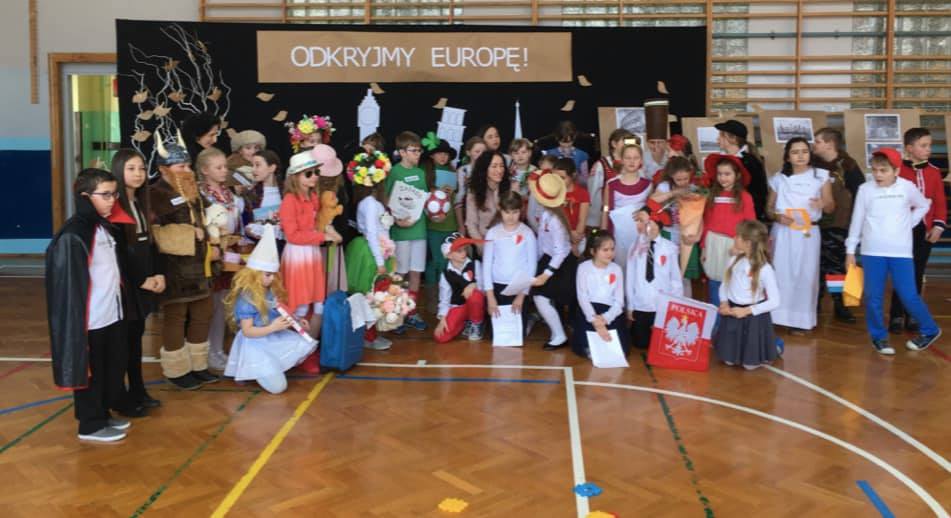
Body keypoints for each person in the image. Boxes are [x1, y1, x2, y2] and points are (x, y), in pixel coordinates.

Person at [46, 168, 135, 441]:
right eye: (105, 195)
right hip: (90, 318)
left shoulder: (103, 227)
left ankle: (103, 414)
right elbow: (67, 286)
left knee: (110, 368)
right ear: (85, 197)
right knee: (91, 373)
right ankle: (90, 424)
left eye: (114, 194)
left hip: (111, 313)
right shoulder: (73, 235)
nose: (112, 200)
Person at [846, 148, 942, 355]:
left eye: (884, 170)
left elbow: (924, 205)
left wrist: (909, 223)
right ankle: (879, 337)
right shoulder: (865, 190)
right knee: (873, 297)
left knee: (909, 296)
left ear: (896, 171)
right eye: (875, 170)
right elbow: (857, 220)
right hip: (872, 252)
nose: (878, 175)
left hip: (901, 253)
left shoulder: (907, 187)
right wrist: (850, 250)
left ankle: (930, 329)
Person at [149, 131, 217, 390]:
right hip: (174, 268)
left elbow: (207, 218)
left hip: (200, 266)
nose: (187, 171)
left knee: (203, 313)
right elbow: (154, 231)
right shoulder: (155, 193)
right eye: (181, 167)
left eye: (188, 166)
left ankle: (198, 366)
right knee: (176, 316)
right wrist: (190, 234)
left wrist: (212, 238)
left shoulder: (192, 189)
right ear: (164, 169)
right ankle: (177, 370)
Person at [224, 225, 317, 394]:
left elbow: (279, 310)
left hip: (270, 336)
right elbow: (247, 331)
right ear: (254, 274)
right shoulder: (247, 297)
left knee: (301, 343)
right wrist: (273, 327)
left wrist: (296, 321)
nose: (272, 278)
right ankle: (250, 368)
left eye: (273, 274)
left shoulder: (269, 290)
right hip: (255, 342)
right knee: (278, 388)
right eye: (267, 274)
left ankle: (264, 368)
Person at [111, 149, 164, 413]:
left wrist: (158, 274)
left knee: (136, 341)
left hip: (145, 284)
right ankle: (121, 398)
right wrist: (140, 279)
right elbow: (120, 253)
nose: (138, 174)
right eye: (131, 169)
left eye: (141, 168)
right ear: (118, 171)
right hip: (127, 287)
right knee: (123, 345)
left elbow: (149, 247)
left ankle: (138, 390)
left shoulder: (142, 203)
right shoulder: (115, 207)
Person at [280, 150, 342, 372]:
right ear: (295, 177)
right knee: (299, 304)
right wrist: (323, 237)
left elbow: (318, 224)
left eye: (316, 172)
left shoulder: (314, 197)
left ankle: (309, 350)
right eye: (309, 173)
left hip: (312, 254)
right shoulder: (289, 201)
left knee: (318, 303)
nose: (315, 176)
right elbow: (292, 235)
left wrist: (327, 230)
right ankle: (295, 352)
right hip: (297, 256)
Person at [767, 138, 833, 333]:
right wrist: (777, 217)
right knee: (781, 273)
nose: (801, 156)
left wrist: (822, 204)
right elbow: (769, 208)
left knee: (806, 274)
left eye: (804, 151)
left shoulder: (820, 176)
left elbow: (831, 206)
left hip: (808, 232)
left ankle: (801, 320)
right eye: (795, 152)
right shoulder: (779, 178)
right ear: (788, 156)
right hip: (784, 232)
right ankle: (777, 316)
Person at [890, 128, 947, 333]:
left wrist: (938, 226)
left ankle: (912, 314)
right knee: (901, 271)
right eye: (923, 145)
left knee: (917, 272)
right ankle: (896, 314)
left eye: (929, 145)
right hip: (901, 229)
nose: (928, 149)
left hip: (924, 229)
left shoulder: (933, 172)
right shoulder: (897, 171)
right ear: (909, 148)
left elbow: (940, 202)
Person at [197, 147, 246, 371]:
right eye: (218, 167)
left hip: (231, 251)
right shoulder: (202, 196)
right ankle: (210, 351)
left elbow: (236, 222)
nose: (224, 171)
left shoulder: (229, 194)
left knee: (226, 303)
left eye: (225, 166)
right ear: (205, 170)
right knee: (213, 305)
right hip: (214, 253)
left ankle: (220, 350)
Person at [813, 128, 864, 324]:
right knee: (815, 267)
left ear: (830, 144)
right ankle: (815, 303)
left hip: (839, 226)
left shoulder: (848, 166)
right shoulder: (812, 165)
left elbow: (860, 195)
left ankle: (840, 305)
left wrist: (856, 226)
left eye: (818, 141)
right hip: (814, 225)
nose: (814, 145)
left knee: (836, 268)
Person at [344, 149, 395, 351]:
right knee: (371, 294)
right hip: (372, 253)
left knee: (374, 294)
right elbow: (372, 234)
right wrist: (380, 262)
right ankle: (368, 336)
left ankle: (371, 334)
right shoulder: (370, 204)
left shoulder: (371, 202)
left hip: (378, 250)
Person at [714, 220, 781, 369]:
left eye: (738, 236)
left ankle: (774, 348)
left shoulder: (765, 269)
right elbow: (725, 285)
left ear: (748, 243)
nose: (734, 238)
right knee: (728, 361)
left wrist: (746, 311)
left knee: (749, 365)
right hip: (733, 313)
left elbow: (775, 301)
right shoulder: (733, 260)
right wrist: (724, 302)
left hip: (752, 317)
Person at [385, 131, 428, 331]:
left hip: (419, 230)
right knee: (400, 274)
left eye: (419, 150)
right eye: (413, 150)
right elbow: (386, 199)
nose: (417, 154)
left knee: (416, 272)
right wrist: (396, 220)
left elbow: (423, 198)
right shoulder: (394, 172)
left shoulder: (420, 173)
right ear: (402, 152)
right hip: (401, 232)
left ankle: (411, 311)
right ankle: (397, 313)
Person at [699, 154, 756, 306]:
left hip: (735, 245)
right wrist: (704, 247)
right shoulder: (712, 195)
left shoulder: (744, 197)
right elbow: (707, 222)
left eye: (727, 174)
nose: (723, 178)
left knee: (734, 281)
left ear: (737, 175)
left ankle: (733, 314)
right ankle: (717, 316)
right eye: (720, 174)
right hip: (713, 243)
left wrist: (744, 248)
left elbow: (750, 225)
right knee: (715, 281)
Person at [529, 171, 577, 350]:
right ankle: (558, 333)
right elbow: (543, 241)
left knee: (540, 296)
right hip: (550, 259)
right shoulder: (547, 213)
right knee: (540, 296)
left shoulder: (555, 220)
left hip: (560, 264)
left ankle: (559, 335)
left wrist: (546, 274)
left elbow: (561, 252)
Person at [625, 205, 683, 350]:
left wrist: (675, 305)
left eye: (646, 221)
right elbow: (630, 278)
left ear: (657, 224)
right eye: (639, 221)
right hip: (641, 304)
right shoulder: (634, 248)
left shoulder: (669, 248)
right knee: (641, 343)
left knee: (661, 344)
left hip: (662, 305)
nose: (642, 225)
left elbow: (675, 279)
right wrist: (630, 305)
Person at [483, 192, 538, 330]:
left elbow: (532, 266)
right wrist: (490, 297)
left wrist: (522, 295)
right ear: (500, 210)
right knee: (498, 333)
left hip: (519, 287)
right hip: (497, 287)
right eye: (507, 212)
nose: (511, 217)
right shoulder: (492, 233)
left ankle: (529, 320)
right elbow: (486, 265)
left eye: (515, 212)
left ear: (521, 210)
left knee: (517, 333)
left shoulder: (527, 233)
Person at [572, 230, 629, 358]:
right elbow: (582, 297)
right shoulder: (583, 268)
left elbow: (619, 301)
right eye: (605, 250)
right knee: (585, 345)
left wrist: (606, 318)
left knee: (620, 349)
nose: (610, 253)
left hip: (610, 312)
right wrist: (595, 321)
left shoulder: (616, 269)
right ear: (593, 251)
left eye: (612, 249)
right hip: (590, 311)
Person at [601, 143, 653, 270]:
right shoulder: (612, 184)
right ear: (622, 160)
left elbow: (651, 209)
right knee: (620, 266)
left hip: (640, 232)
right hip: (617, 232)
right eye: (628, 158)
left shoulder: (648, 184)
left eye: (636, 158)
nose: (632, 161)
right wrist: (603, 232)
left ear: (641, 160)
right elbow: (606, 208)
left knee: (640, 267)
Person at [435, 234, 487, 343]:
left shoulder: (475, 264)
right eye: (459, 251)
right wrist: (442, 318)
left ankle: (477, 323)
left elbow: (485, 288)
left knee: (474, 295)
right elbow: (444, 299)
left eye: (464, 249)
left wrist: (474, 285)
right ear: (449, 255)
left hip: (476, 304)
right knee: (440, 337)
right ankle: (464, 322)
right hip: (459, 306)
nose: (463, 253)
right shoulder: (445, 274)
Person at [423, 139, 461, 288]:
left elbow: (457, 200)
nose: (443, 156)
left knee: (447, 260)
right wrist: (435, 192)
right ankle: (432, 292)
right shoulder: (426, 172)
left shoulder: (453, 172)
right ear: (432, 155)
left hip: (450, 224)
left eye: (446, 154)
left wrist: (452, 193)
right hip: (434, 225)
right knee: (436, 260)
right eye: (439, 153)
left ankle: (445, 291)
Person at [312, 144, 349, 293]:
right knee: (329, 281)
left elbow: (343, 217)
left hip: (325, 243)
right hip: (323, 243)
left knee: (326, 280)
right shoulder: (337, 190)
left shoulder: (336, 190)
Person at [715, 119, 768, 222]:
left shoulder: (750, 162)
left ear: (733, 139)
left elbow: (759, 193)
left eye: (721, 135)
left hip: (744, 218)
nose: (717, 139)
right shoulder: (722, 160)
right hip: (726, 214)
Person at [466, 150, 512, 257]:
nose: (499, 170)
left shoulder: (511, 188)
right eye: (494, 166)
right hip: (484, 244)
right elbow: (471, 224)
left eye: (501, 166)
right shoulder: (474, 192)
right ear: (484, 168)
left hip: (507, 244)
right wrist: (483, 248)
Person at [587, 129, 634, 229]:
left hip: (628, 215)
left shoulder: (633, 164)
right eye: (625, 141)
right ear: (614, 144)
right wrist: (595, 221)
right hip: (606, 215)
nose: (628, 145)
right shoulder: (601, 165)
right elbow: (593, 194)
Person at [551, 157, 590, 256]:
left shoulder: (582, 193)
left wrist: (575, 242)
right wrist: (567, 233)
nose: (558, 181)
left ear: (573, 175)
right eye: (555, 178)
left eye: (562, 178)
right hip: (557, 236)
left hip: (577, 237)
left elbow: (582, 220)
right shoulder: (553, 194)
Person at [454, 136, 487, 234]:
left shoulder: (490, 169)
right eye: (477, 151)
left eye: (484, 152)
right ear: (468, 152)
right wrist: (461, 225)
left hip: (486, 217)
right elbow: (458, 199)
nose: (481, 155)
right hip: (468, 215)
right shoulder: (463, 171)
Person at [544, 120, 590, 184]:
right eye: (563, 142)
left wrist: (576, 176)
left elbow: (586, 180)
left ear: (574, 137)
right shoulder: (551, 153)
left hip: (574, 188)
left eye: (569, 142)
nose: (566, 145)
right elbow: (546, 176)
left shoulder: (581, 154)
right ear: (557, 138)